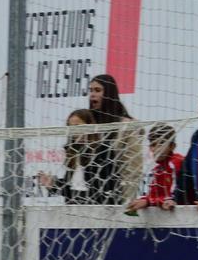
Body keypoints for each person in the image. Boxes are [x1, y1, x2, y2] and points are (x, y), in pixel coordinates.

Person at [37, 109, 117, 204]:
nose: (74, 131)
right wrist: (52, 184)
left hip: (97, 207)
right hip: (74, 207)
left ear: (90, 126)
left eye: (77, 126)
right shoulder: (72, 151)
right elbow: (70, 188)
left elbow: (106, 187)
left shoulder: (103, 150)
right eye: (71, 127)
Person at [88, 74, 143, 204]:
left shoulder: (126, 127)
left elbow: (133, 168)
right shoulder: (89, 125)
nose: (92, 95)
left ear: (109, 93)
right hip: (90, 198)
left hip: (116, 198)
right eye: (90, 90)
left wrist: (127, 201)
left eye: (97, 90)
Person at [127, 124, 183, 212]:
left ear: (172, 146)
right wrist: (145, 199)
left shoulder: (176, 163)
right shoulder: (158, 169)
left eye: (161, 144)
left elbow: (172, 197)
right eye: (153, 144)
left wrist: (148, 201)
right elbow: (154, 195)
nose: (156, 148)